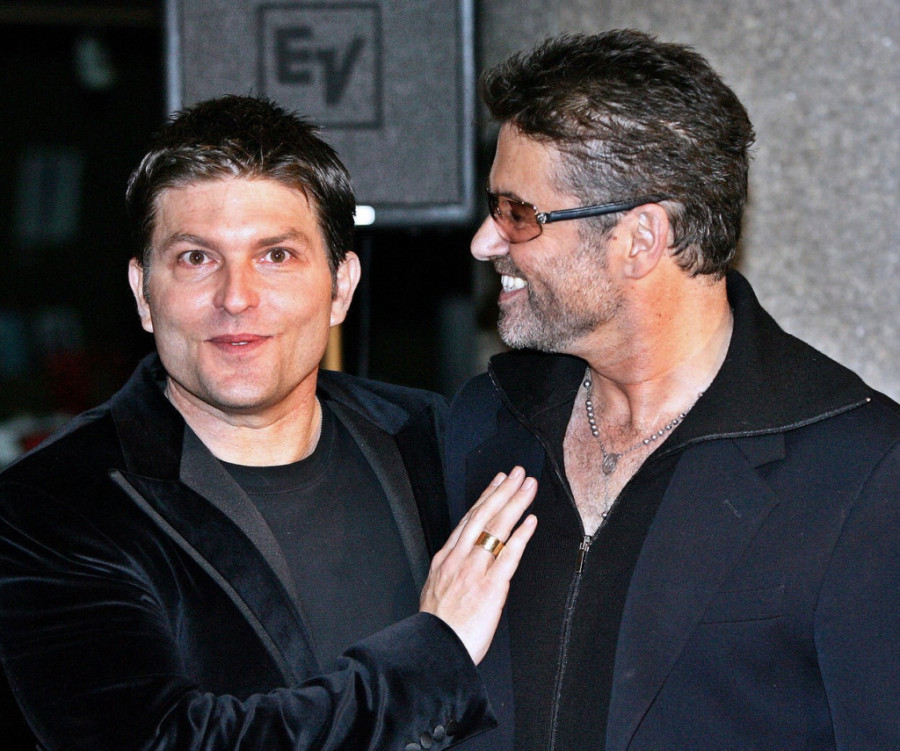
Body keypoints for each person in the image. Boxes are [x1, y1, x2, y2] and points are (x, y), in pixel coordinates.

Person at [0, 94, 537, 751]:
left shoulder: (437, 437)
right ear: (143, 294)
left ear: (341, 286)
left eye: (276, 255)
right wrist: (434, 653)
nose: (236, 297)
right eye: (196, 258)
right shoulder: (54, 505)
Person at [445, 30, 900, 750]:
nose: (484, 241)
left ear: (640, 239)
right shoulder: (484, 423)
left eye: (518, 213)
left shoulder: (862, 473)